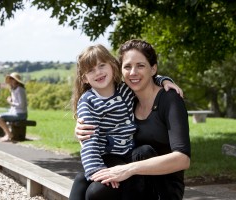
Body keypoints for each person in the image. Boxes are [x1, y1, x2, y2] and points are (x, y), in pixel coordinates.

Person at [73, 39, 191, 200]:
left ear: (153, 68)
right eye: (127, 67)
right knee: (82, 180)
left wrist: (164, 80)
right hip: (126, 170)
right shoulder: (129, 95)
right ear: (120, 70)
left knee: (97, 192)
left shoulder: (168, 99)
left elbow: (183, 159)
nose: (133, 72)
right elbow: (93, 138)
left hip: (161, 188)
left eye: (140, 65)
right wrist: (82, 132)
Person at [0, 72, 28, 142]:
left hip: (20, 114)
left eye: (12, 78)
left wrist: (10, 102)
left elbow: (21, 104)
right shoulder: (13, 89)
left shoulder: (20, 90)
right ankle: (8, 134)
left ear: (16, 80)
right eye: (10, 78)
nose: (10, 80)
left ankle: (9, 134)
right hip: (15, 113)